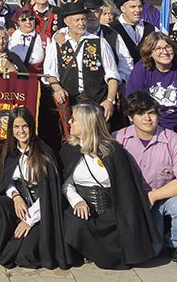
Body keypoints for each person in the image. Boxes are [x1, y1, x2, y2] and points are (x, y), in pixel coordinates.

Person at [59, 103, 159, 269]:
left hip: (111, 211)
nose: (69, 122)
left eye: (74, 119)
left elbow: (126, 190)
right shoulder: (69, 149)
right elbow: (66, 184)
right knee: (73, 224)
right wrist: (76, 201)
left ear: (86, 123)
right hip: (83, 209)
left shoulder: (113, 151)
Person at [0, 106, 71, 269]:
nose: (21, 131)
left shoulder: (44, 154)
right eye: (16, 127)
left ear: (31, 127)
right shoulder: (10, 150)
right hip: (20, 200)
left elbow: (48, 195)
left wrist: (29, 220)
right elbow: (6, 180)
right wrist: (16, 196)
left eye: (24, 126)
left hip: (41, 210)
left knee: (24, 253)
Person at [117, 92, 177, 269]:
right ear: (130, 117)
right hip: (134, 202)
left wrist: (152, 196)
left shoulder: (173, 140)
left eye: (151, 112)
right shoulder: (118, 139)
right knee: (151, 251)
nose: (147, 118)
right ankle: (160, 237)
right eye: (140, 114)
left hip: (165, 196)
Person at [43, 1, 120, 120]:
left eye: (83, 19)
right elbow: (50, 74)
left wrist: (109, 100)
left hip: (96, 102)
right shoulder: (57, 44)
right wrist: (58, 89)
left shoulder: (100, 42)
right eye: (77, 20)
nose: (81, 23)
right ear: (66, 22)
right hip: (70, 103)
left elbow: (112, 75)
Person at [107, 0, 155, 82]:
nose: (138, 10)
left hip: (148, 80)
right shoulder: (110, 29)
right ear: (123, 9)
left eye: (140, 6)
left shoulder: (151, 28)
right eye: (133, 7)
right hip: (122, 82)